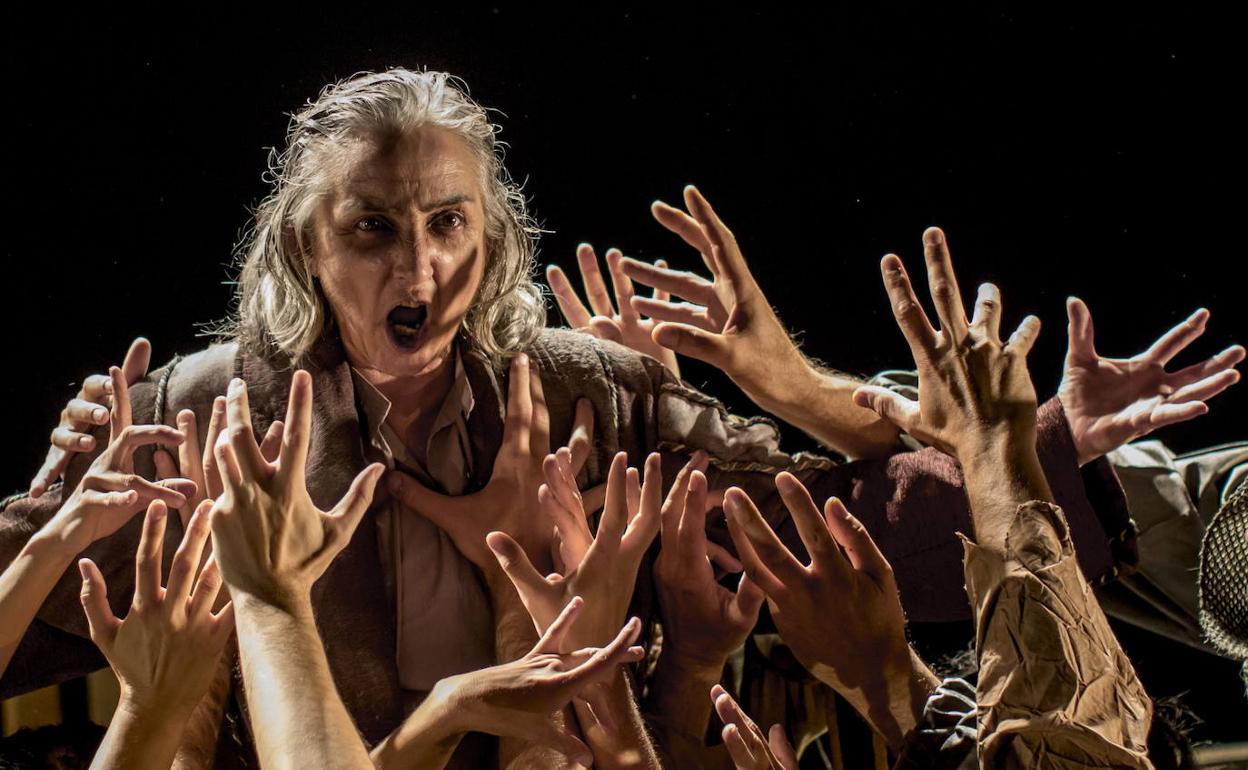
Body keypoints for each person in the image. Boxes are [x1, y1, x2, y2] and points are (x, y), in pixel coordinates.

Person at [1, 68, 1179, 765]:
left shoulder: (592, 393)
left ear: (494, 236)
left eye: (449, 223)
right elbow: (29, 602)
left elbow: (813, 522)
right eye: (373, 227)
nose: (420, 265)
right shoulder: (205, 408)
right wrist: (55, 520)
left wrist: (1029, 453)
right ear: (308, 244)